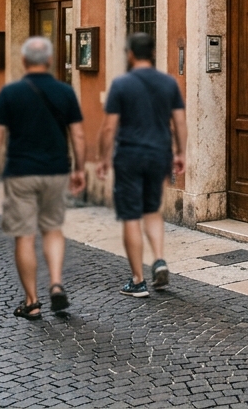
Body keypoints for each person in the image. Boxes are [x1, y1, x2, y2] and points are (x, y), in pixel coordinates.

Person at [0, 37, 85, 320]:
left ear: (24, 62)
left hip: (21, 173)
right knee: (52, 229)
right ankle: (56, 283)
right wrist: (79, 168)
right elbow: (77, 134)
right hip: (55, 171)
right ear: (49, 61)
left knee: (24, 236)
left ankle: (33, 302)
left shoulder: (10, 92)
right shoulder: (65, 91)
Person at [98, 32, 187, 298]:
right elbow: (180, 122)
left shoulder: (122, 84)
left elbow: (109, 127)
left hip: (129, 156)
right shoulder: (168, 83)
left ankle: (138, 281)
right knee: (152, 211)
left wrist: (102, 159)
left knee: (131, 217)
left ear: (130, 53)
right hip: (159, 154)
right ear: (152, 52)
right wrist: (180, 152)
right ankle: (159, 259)